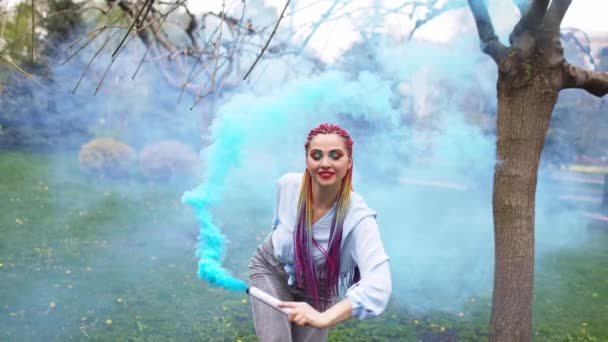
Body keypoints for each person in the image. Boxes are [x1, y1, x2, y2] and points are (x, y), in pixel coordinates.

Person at [248, 123, 392, 342]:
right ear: (307, 160)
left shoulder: (358, 218)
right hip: (272, 270)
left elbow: (378, 287)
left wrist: (324, 317)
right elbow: (278, 225)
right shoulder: (287, 185)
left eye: (335, 155)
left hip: (320, 288)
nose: (325, 163)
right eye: (317, 155)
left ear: (349, 162)